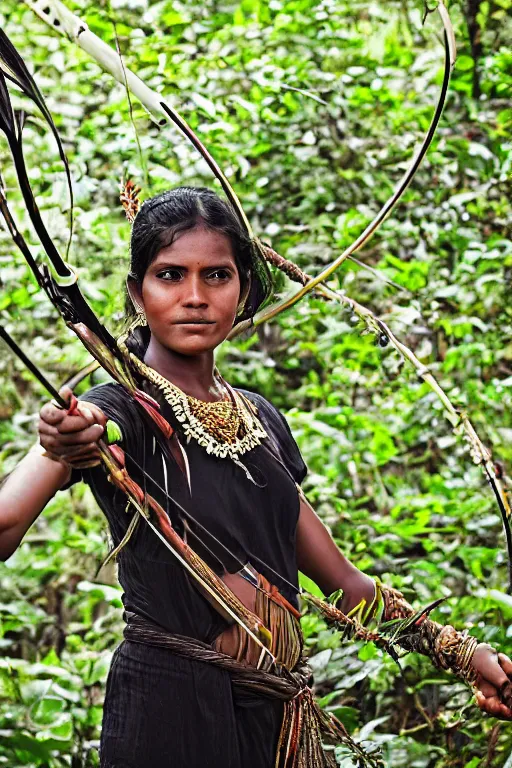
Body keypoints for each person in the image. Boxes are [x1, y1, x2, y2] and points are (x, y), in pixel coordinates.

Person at [1, 186, 511, 768]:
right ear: (139, 292)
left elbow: (345, 585)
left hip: (275, 723)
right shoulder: (119, 410)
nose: (194, 297)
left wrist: (465, 656)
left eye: (216, 275)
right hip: (171, 716)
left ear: (243, 287)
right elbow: (7, 523)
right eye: (170, 275)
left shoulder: (261, 419)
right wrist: (65, 439)